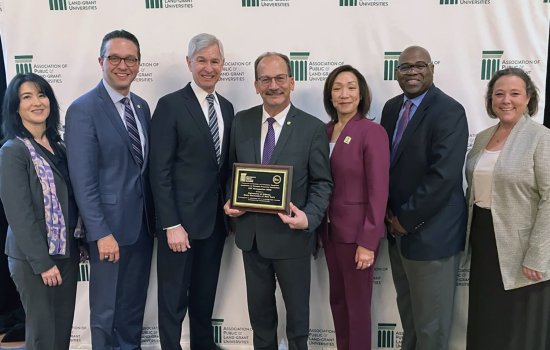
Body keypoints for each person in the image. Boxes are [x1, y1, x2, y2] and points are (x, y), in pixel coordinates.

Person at [224, 52, 332, 350]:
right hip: (252, 238)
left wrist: (309, 217)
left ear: (292, 82)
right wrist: (229, 202)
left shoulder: (312, 128)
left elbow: (322, 182)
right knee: (260, 319)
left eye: (280, 78)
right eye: (266, 79)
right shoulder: (241, 122)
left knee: (298, 321)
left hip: (292, 239)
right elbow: (231, 174)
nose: (274, 85)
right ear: (256, 85)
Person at [65, 29, 155, 349]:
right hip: (108, 231)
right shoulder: (83, 109)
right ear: (101, 61)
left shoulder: (142, 107)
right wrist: (100, 231)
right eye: (114, 58)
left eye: (130, 59)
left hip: (142, 226)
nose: (122, 65)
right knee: (105, 310)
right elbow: (83, 179)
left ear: (139, 64)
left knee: (132, 306)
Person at [380, 45, 469, 350]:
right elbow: (386, 167)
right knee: (411, 318)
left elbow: (443, 175)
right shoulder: (391, 108)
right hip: (397, 232)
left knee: (431, 326)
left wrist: (405, 219)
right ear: (397, 72)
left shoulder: (449, 111)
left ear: (432, 69)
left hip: (431, 234)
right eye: (406, 67)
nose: (413, 71)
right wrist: (389, 216)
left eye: (420, 65)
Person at [149, 33, 234, 350]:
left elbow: (222, 167)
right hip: (179, 225)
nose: (208, 67)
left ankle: (202, 344)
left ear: (222, 65)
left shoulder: (226, 107)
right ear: (189, 63)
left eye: (214, 61)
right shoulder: (170, 105)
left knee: (204, 293)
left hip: (214, 223)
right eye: (202, 60)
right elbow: (159, 170)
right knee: (172, 297)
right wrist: (171, 224)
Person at [465, 67, 550, 350]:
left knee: (516, 330)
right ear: (491, 100)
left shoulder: (541, 137)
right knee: (486, 321)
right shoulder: (482, 137)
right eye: (499, 94)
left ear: (528, 99)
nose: (506, 100)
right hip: (484, 240)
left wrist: (538, 254)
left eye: (515, 93)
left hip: (522, 249)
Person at [0, 73, 82, 349]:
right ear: (15, 107)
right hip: (34, 259)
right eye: (27, 97)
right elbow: (18, 214)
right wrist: (43, 263)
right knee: (42, 336)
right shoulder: (13, 151)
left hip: (66, 253)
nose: (37, 102)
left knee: (61, 333)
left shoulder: (60, 146)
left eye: (42, 94)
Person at [318, 65, 389, 350]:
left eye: (350, 87)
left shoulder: (372, 132)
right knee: (338, 301)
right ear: (330, 96)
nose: (344, 94)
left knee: (357, 308)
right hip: (329, 232)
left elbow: (378, 190)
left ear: (361, 95)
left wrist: (368, 241)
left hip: (358, 236)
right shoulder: (323, 132)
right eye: (337, 88)